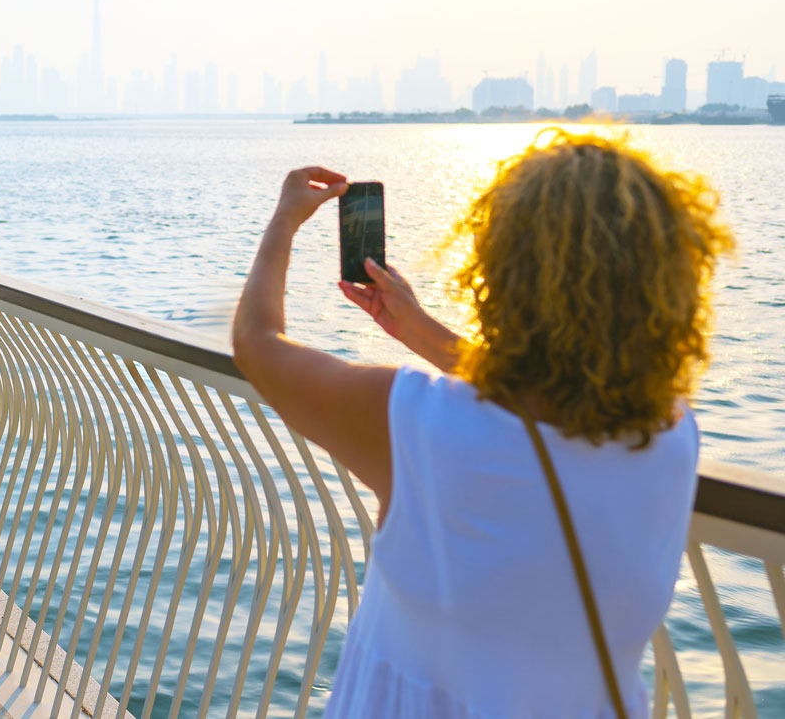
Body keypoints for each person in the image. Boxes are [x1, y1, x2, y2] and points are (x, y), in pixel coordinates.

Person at [232, 130, 733, 717]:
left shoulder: (416, 423)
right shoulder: (672, 432)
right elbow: (557, 387)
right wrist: (418, 330)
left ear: (501, 268)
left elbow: (258, 345)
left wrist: (285, 220)